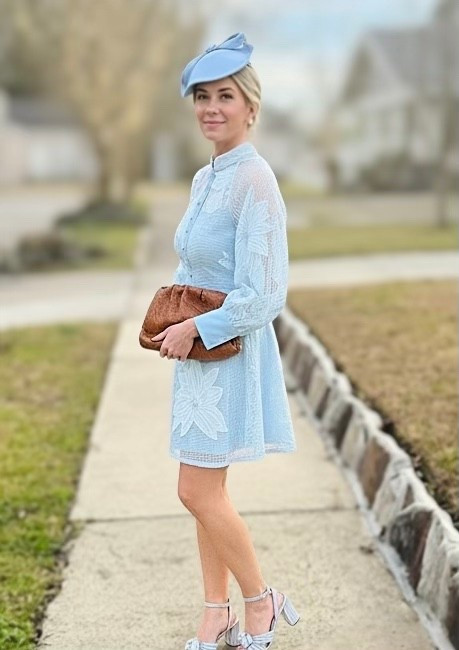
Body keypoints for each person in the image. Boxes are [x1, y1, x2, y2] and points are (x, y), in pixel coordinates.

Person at [151, 32, 300, 650]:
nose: (211, 108)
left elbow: (265, 294)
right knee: (207, 493)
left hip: (229, 352)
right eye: (202, 96)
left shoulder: (256, 181)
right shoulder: (204, 177)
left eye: (225, 96)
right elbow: (198, 264)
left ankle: (262, 601)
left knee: (195, 490)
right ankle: (216, 615)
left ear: (251, 107)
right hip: (196, 358)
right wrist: (174, 313)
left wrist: (196, 326)